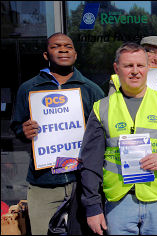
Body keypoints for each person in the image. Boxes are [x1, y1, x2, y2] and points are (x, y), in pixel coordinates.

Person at [79, 42, 157, 235]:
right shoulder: (101, 107)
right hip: (119, 202)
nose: (135, 71)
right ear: (116, 68)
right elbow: (90, 162)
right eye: (128, 66)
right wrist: (92, 207)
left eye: (140, 65)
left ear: (148, 68)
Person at [10, 32, 104, 235]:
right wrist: (23, 131)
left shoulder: (92, 90)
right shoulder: (29, 89)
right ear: (45, 55)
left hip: (82, 183)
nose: (63, 49)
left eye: (68, 46)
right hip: (44, 183)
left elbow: (105, 133)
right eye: (56, 46)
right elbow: (16, 127)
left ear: (76, 54)